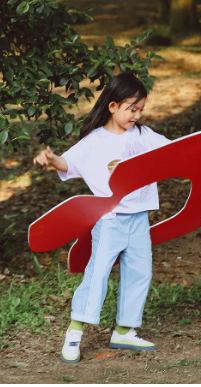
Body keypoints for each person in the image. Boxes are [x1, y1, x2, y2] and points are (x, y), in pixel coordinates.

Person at [33, 72, 172, 363]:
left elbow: (176, 152)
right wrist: (50, 159)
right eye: (132, 109)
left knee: (140, 273)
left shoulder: (145, 136)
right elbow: (68, 163)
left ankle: (123, 331)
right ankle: (74, 333)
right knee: (97, 276)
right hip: (109, 219)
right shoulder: (95, 140)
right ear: (113, 106)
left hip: (139, 218)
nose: (137, 115)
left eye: (141, 109)